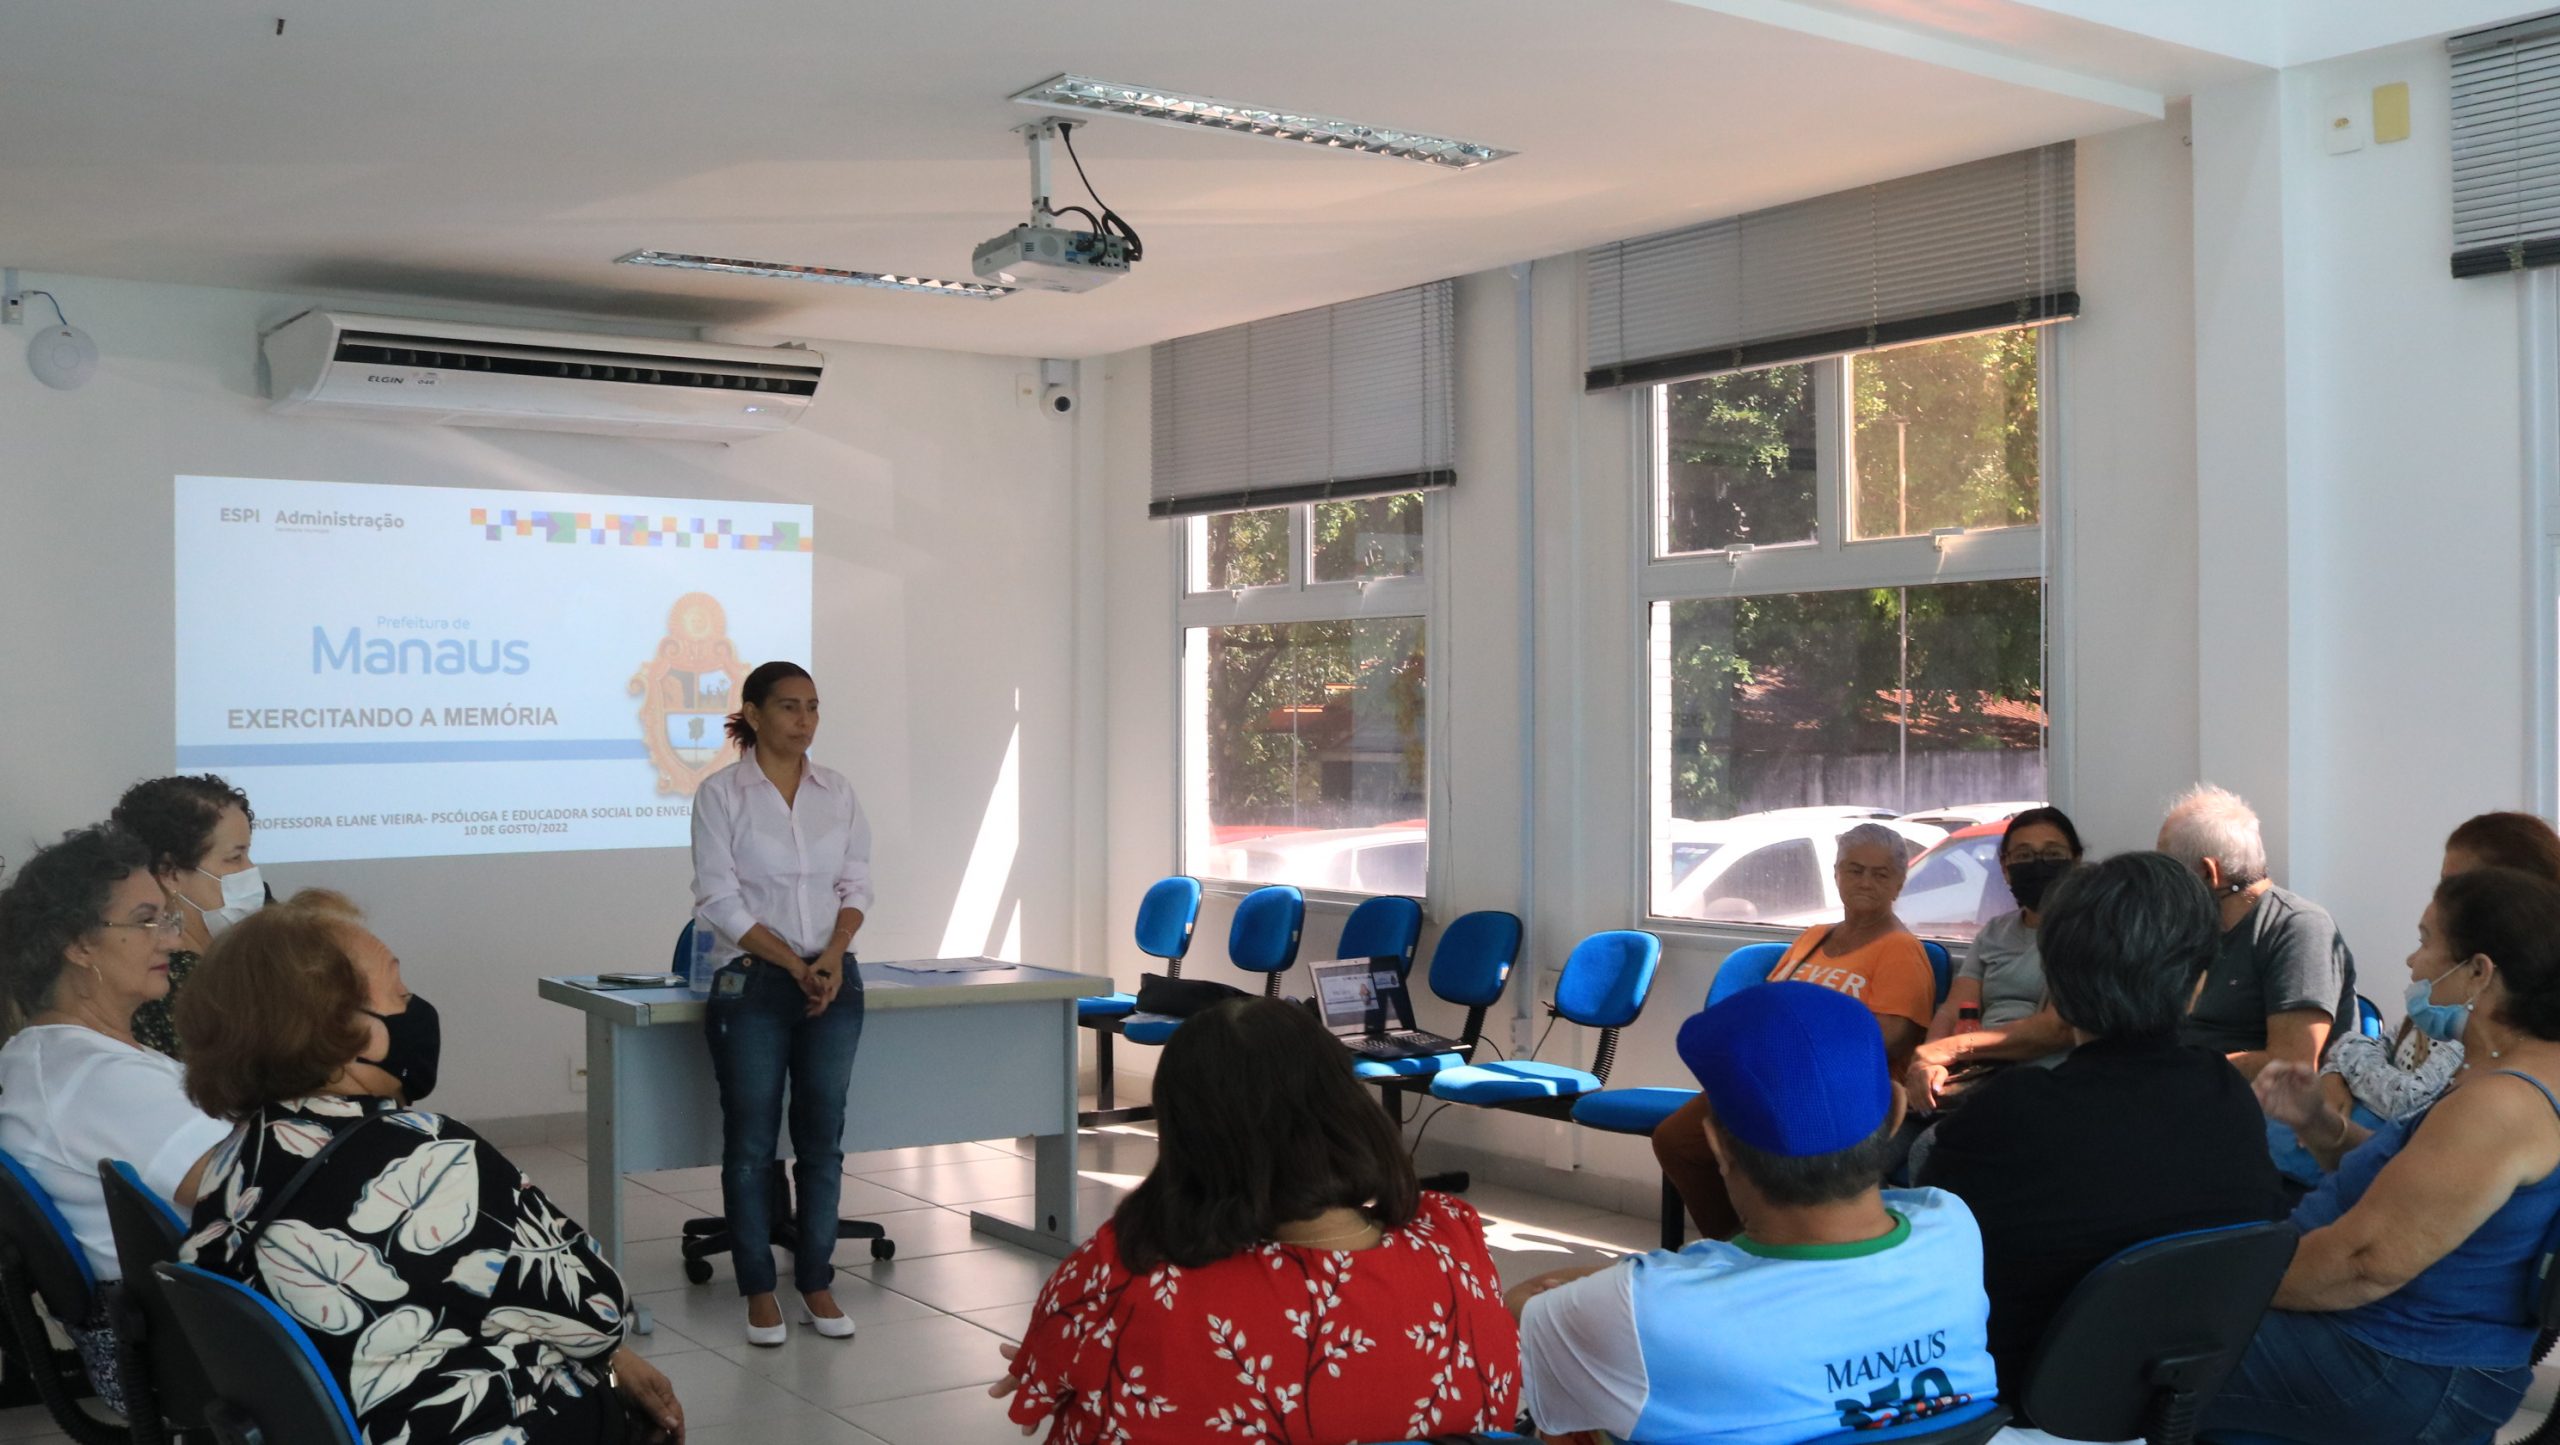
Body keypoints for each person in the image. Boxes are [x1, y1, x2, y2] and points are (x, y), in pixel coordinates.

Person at [175, 906, 684, 1444]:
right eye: (399, 993)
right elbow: (599, 1313)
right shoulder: (430, 1153)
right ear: (347, 1030)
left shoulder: (234, 1159)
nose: (415, 1007)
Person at [993, 997, 1519, 1442]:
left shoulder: (1126, 1271)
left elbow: (1048, 1380)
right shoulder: (1453, 1235)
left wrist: (1076, 1340)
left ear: (1186, 1131)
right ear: (1343, 1102)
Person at [1512, 983, 1996, 1444]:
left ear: (1718, 1148)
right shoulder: (1951, 1225)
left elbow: (1526, 1308)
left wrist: (1628, 1280)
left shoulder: (1648, 1308)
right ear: (1895, 1115)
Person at [2210, 867, 2560, 1443]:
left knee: (2151, 1345)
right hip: (2399, 1348)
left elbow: (2364, 1263)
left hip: (2401, 1365)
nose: (2411, 963)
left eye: (2426, 942)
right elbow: (2417, 1188)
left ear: (2479, 972)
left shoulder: (2502, 1104)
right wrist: (2322, 1126)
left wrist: (2218, 1286)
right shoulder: (2509, 1075)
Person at [1917, 853, 2284, 1401]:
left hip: (2016, 1406)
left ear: (2056, 990)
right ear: (2197, 986)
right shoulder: (2229, 1096)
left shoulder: (2010, 1114)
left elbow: (1934, 1271)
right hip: (2186, 1393)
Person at [0, 825, 232, 1415]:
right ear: (79, 943)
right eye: (147, 920)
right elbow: (253, 1187)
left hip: (172, 1329)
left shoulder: (45, 1056)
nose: (173, 942)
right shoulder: (99, 1081)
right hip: (200, 1345)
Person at [689, 659, 870, 1347]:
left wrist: (830, 956)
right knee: (753, 1143)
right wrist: (795, 962)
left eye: (813, 707)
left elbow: (857, 883)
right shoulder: (721, 794)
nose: (804, 720)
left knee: (822, 1140)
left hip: (833, 977)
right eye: (790, 706)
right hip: (755, 983)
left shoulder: (839, 791)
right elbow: (718, 898)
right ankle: (759, 1288)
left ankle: (817, 1279)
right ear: (755, 714)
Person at [1653, 822, 1936, 1238]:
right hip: (1774, 1078)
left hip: (1836, 1093)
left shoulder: (1900, 950)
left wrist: (1801, 1049)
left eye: (1880, 874)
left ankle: (1756, 1246)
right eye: (1854, 869)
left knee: (1718, 1150)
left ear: (1899, 882)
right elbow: (1772, 1005)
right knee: (1676, 1140)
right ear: (1837, 873)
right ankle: (1740, 1242)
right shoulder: (1814, 937)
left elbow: (1890, 1038)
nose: (1865, 882)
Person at [2317, 812, 2560, 1131]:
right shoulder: (2446, 999)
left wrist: (2346, 1068)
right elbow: (2367, 1045)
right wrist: (2335, 1073)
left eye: (2455, 884)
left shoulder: (2494, 1017)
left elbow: (2408, 1102)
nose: (2440, 897)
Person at [2157, 784, 2356, 1078]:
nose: (2162, 886)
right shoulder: (2188, 931)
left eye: (2166, 871)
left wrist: (2175, 1071)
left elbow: (2293, 1064)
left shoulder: (2299, 927)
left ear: (2209, 873)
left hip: (2254, 1108)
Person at [1907, 807, 2084, 1109]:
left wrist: (1953, 1049)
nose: (2038, 866)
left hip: (2042, 1080)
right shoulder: (1994, 933)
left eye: (2053, 854)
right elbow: (1953, 1010)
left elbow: (2057, 1029)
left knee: (1931, 1147)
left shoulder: (2087, 933)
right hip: (1976, 1071)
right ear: (2005, 868)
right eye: (2024, 857)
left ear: (2076, 861)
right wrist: (1929, 1061)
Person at [110, 773, 264, 1057]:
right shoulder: (168, 986)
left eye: (248, 854)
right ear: (171, 873)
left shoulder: (233, 965)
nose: (250, 870)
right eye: (234, 858)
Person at [270, 888, 442, 1104]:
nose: (413, 1002)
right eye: (398, 991)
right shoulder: (430, 1137)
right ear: (332, 1033)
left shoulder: (248, 1132)